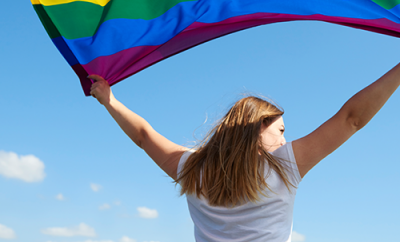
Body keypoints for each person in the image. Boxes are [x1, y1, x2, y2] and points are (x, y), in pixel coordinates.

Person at [88, 62, 400, 242]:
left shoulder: (193, 169)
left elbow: (144, 137)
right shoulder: (284, 166)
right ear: (256, 129)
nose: (283, 141)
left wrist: (110, 101)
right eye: (280, 131)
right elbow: (352, 118)